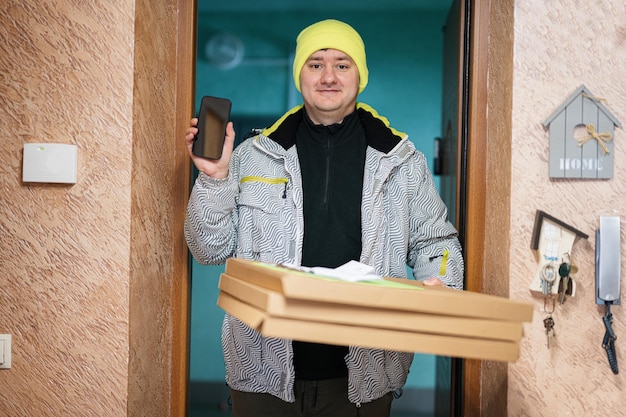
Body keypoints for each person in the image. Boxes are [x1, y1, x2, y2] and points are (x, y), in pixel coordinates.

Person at [184, 18, 464, 417]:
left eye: (342, 64)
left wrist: (442, 284)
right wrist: (213, 179)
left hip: (365, 376)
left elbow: (436, 242)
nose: (328, 76)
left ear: (359, 76)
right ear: (300, 73)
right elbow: (209, 249)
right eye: (315, 64)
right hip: (262, 371)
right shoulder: (251, 155)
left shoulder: (401, 161)